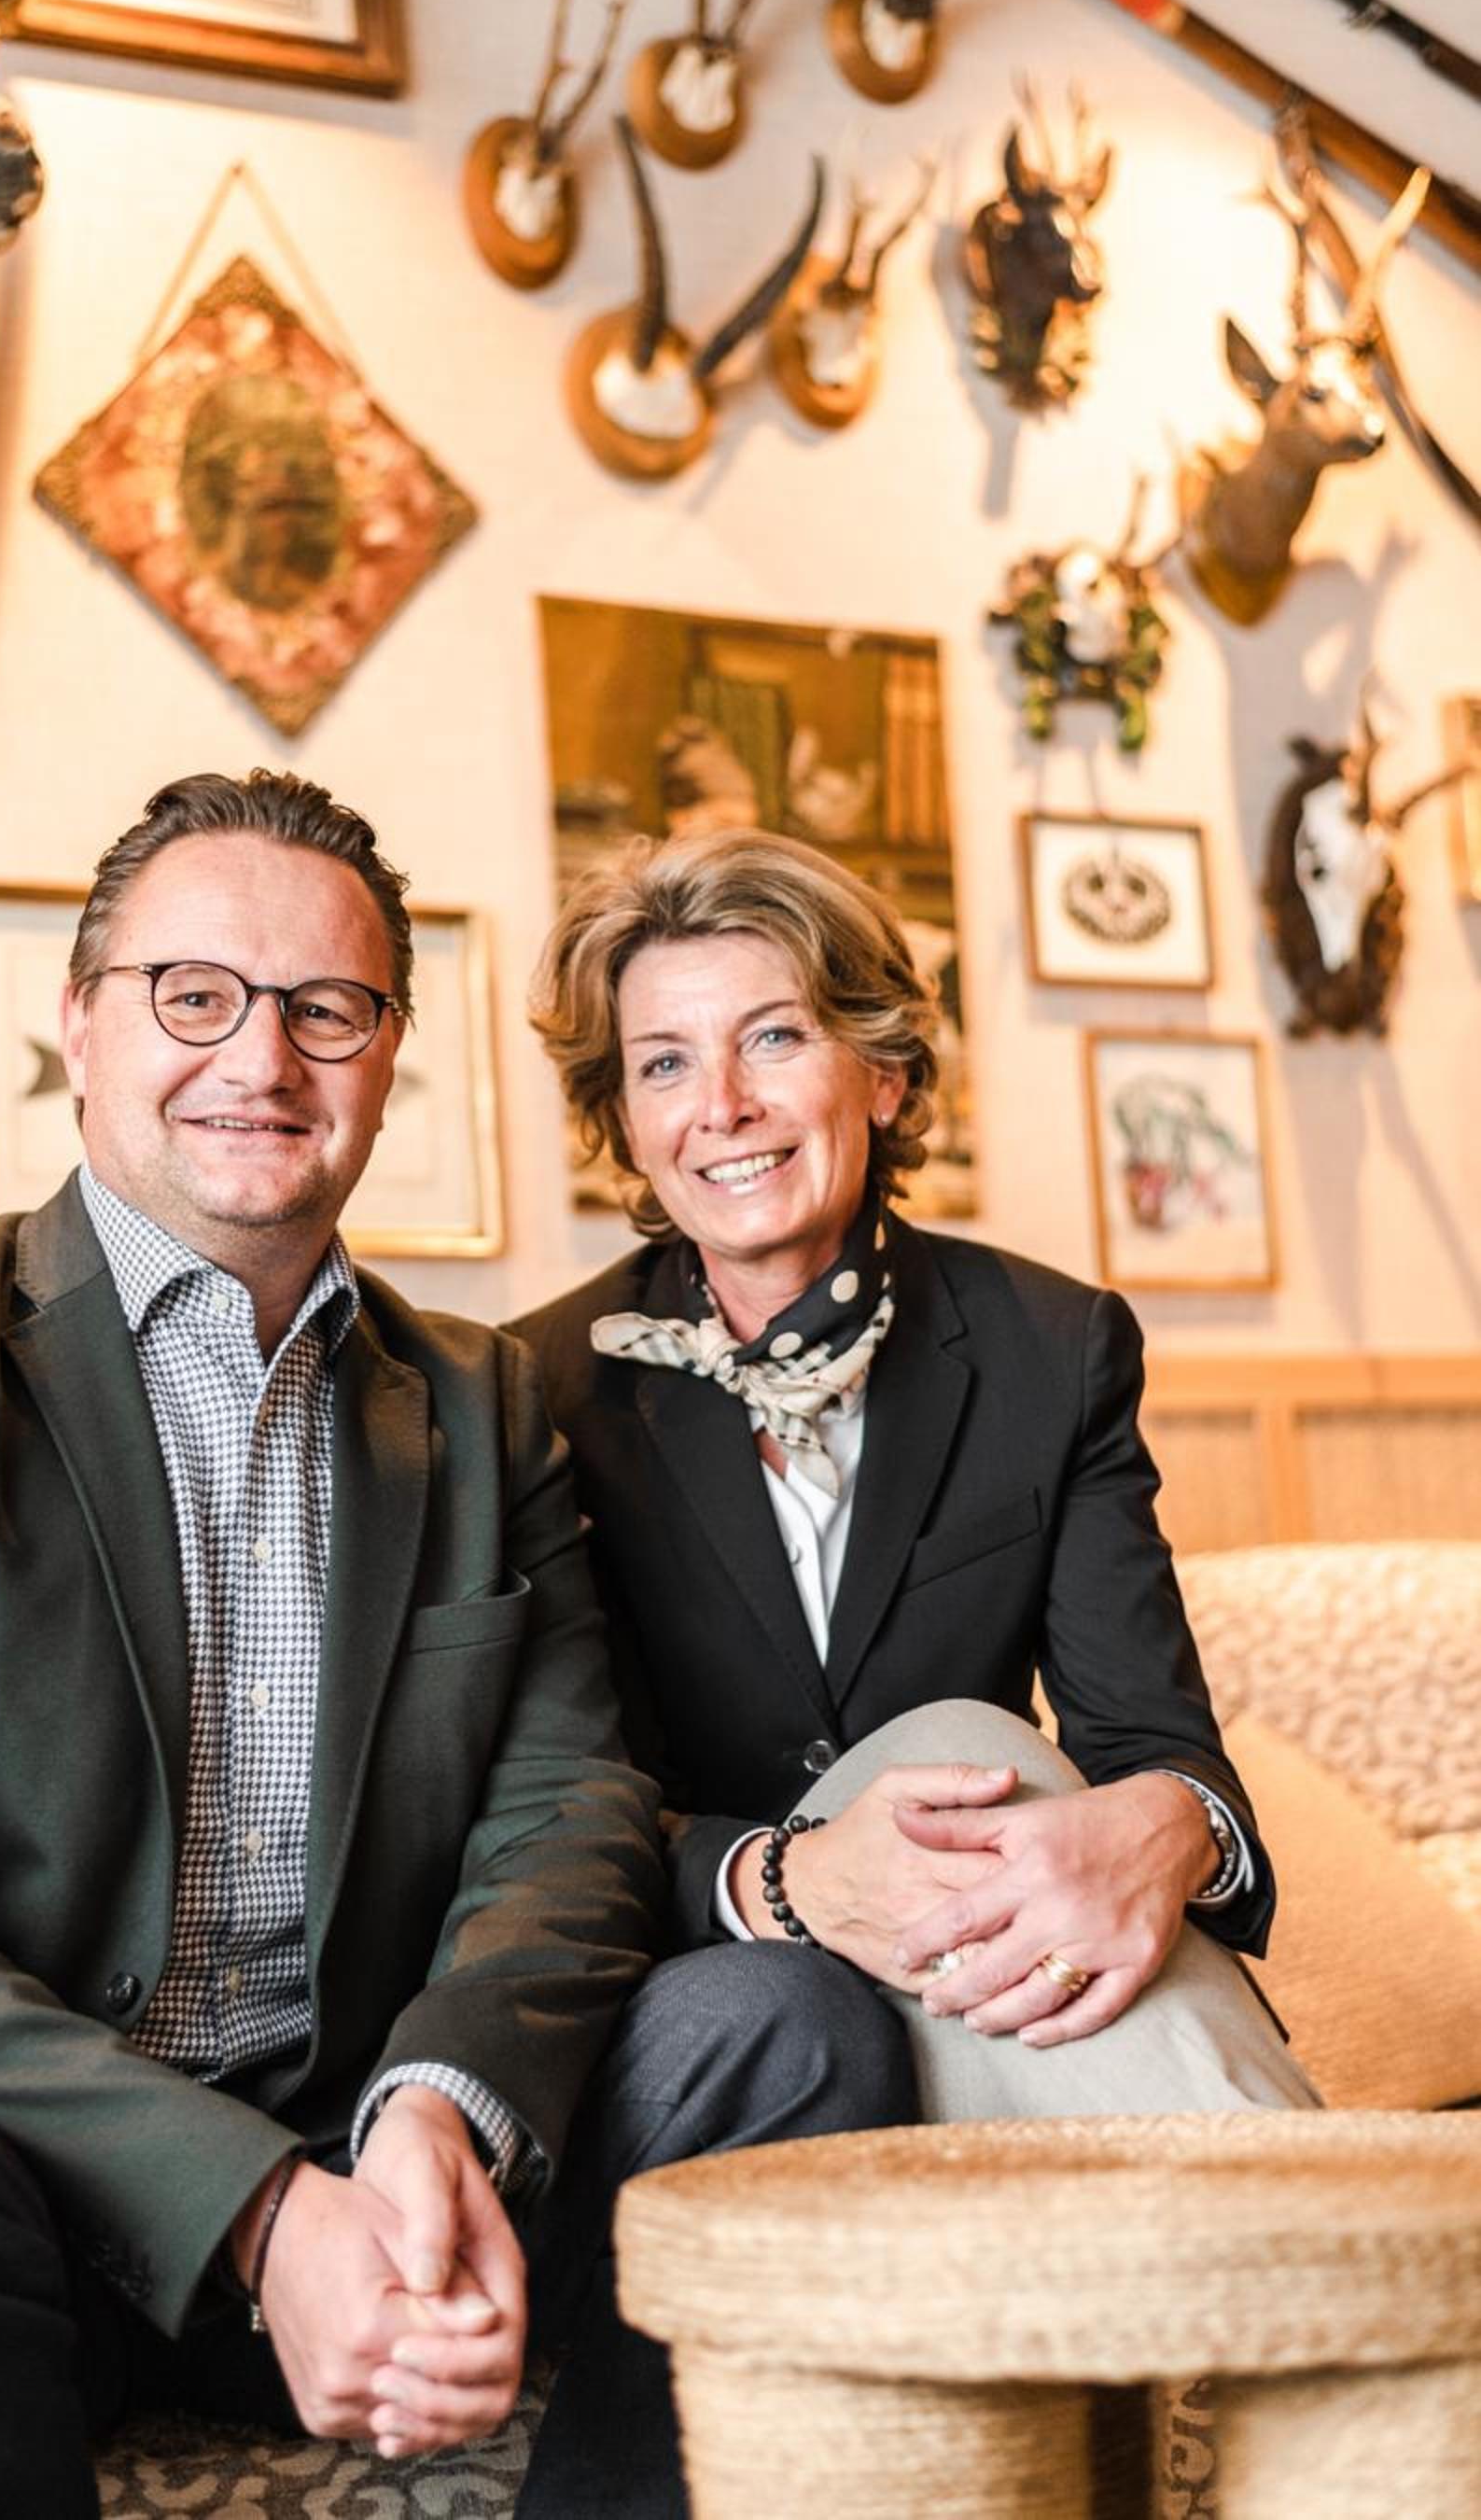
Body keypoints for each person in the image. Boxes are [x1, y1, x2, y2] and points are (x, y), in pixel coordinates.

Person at [0, 770, 678, 2520]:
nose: (261, 1060)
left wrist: (436, 2105)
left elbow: (569, 1814)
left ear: (388, 1055)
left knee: (772, 2027)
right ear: (82, 1025)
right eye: (195, 996)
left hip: (364, 2152)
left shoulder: (483, 1404)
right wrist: (253, 2209)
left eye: (327, 1009)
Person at [514, 827, 1319, 2145]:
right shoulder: (532, 1390)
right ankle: (1321, 2226)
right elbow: (539, 1819)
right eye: (665, 1063)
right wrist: (791, 1876)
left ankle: (1294, 2231)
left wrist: (1172, 1825)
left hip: (990, 1958)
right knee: (966, 1752)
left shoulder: (1050, 1347)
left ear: (882, 1073)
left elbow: (1152, 1743)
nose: (722, 1104)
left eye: (774, 1038)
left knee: (980, 1764)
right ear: (627, 1125)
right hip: (719, 1995)